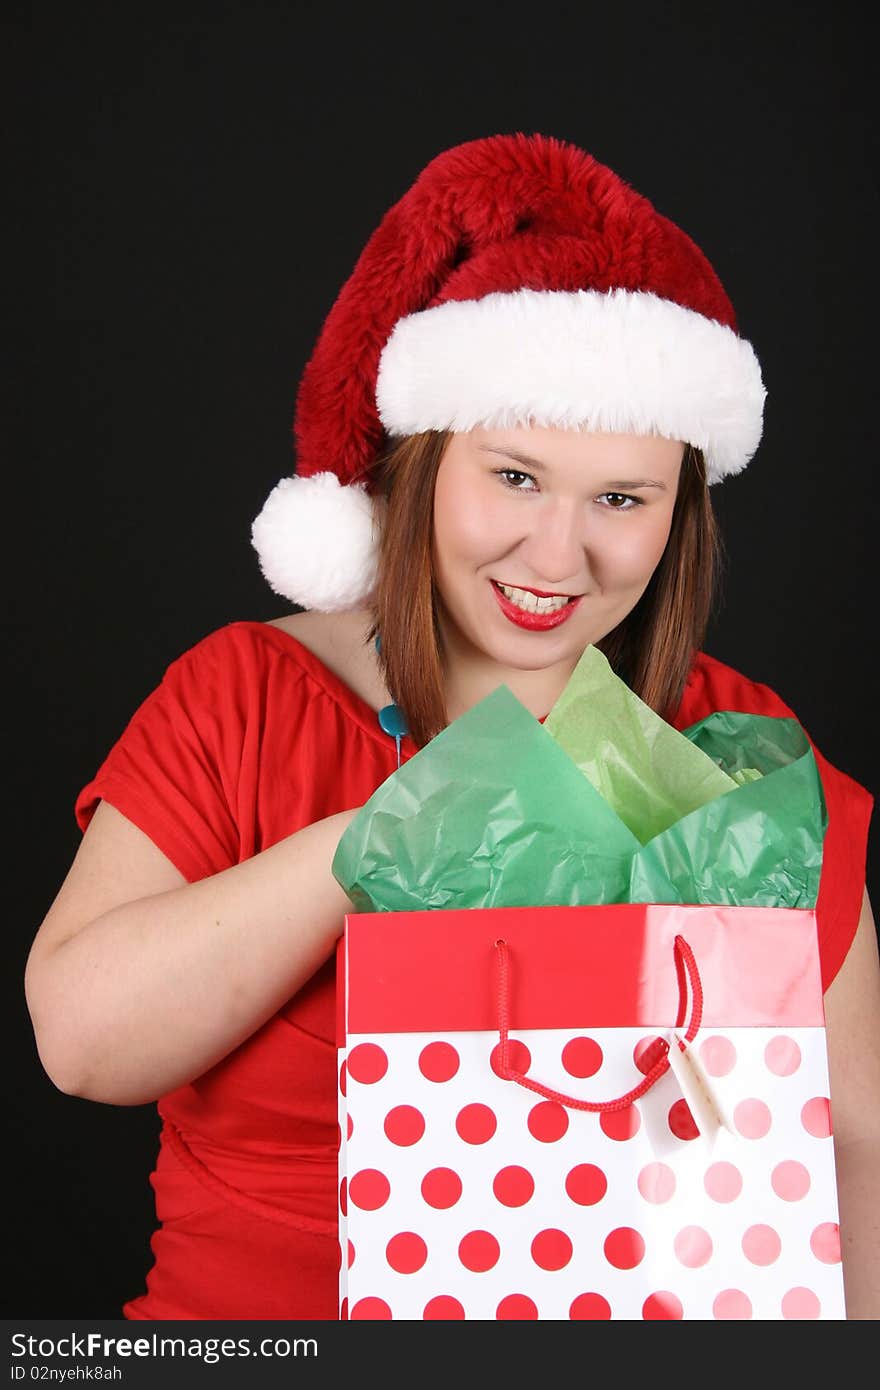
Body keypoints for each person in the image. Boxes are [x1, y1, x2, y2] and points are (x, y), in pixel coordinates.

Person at [24, 132, 879, 1321]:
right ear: (418, 466)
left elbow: (849, 1143)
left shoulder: (738, 744)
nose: (555, 554)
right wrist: (379, 835)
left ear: (679, 515)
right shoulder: (245, 693)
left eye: (620, 500)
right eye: (514, 478)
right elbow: (82, 1042)